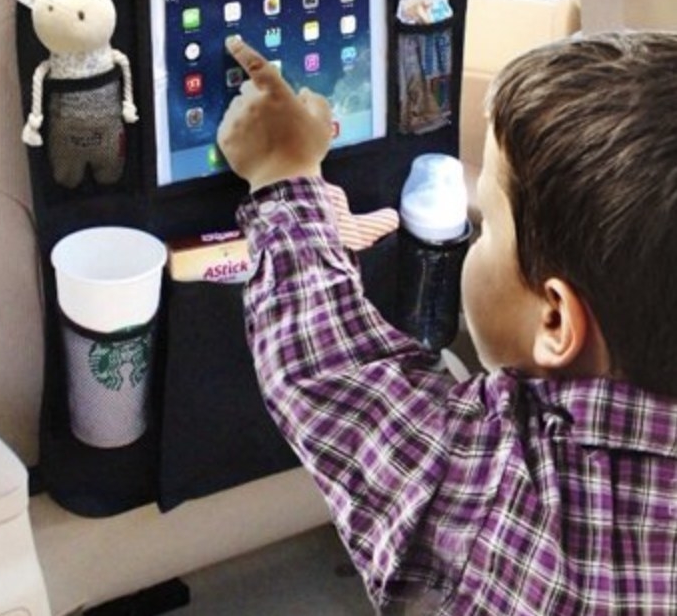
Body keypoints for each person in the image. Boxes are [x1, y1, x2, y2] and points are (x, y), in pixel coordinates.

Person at [216, 30, 677, 614]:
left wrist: (282, 172)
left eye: (488, 230)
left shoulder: (491, 490)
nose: (474, 238)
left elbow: (328, 371)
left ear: (555, 320)